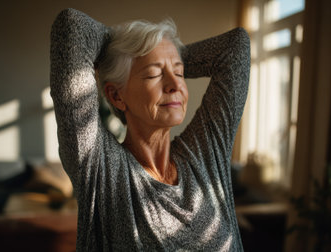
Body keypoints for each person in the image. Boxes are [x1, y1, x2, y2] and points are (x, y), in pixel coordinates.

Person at [50, 8, 250, 251]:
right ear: (116, 95)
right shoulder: (102, 169)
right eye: (154, 74)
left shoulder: (204, 155)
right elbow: (72, 27)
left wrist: (160, 50)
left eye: (179, 72)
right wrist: (122, 46)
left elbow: (235, 47)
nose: (175, 84)